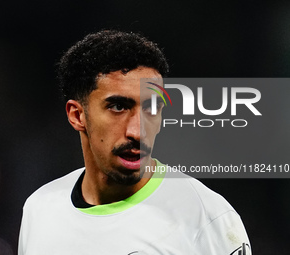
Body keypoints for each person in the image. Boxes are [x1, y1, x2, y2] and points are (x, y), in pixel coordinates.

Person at [18, 30, 251, 255]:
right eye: (118, 107)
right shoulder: (39, 209)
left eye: (151, 108)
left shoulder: (207, 218)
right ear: (77, 115)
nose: (138, 133)